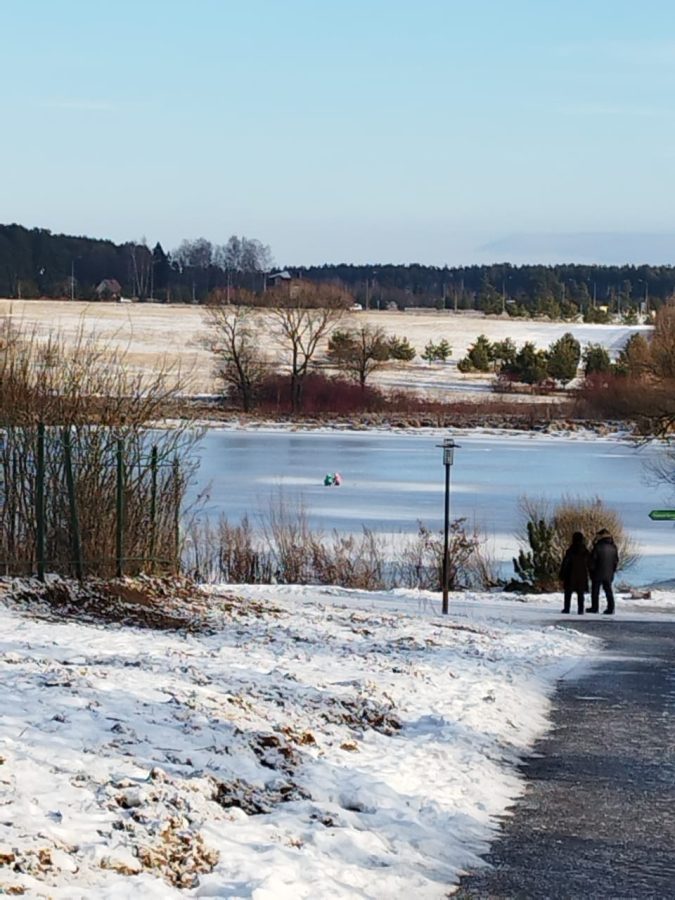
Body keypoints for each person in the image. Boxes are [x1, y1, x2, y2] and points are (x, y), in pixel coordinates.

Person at [588, 528, 619, 615]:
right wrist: (613, 570)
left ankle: (594, 607)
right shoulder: (613, 547)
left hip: (597, 572)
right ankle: (611, 608)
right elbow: (616, 561)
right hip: (609, 573)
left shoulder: (597, 547)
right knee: (608, 591)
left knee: (595, 591)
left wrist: (591, 570)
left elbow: (593, 560)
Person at [559, 531, 590, 615]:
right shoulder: (585, 551)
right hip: (582, 575)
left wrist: (562, 574)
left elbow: (565, 563)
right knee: (580, 594)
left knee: (568, 593)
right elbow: (589, 564)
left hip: (570, 574)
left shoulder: (570, 551)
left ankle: (566, 608)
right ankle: (580, 609)